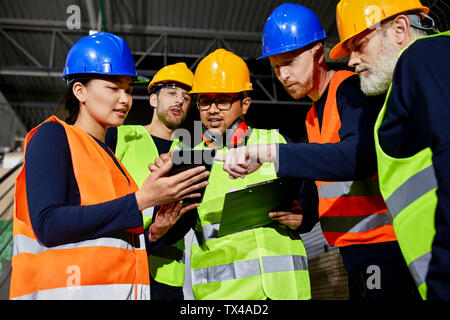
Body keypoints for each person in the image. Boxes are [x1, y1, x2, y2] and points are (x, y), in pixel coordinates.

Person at [217, 3, 419, 300]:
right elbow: (325, 179)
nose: (283, 75)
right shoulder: (312, 116)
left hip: (384, 246)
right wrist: (305, 214)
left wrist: (273, 153)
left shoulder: (350, 89)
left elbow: (358, 157)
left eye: (290, 62)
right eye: (275, 67)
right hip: (354, 251)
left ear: (317, 53)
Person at [9, 32, 209, 300]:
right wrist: (140, 200)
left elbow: (110, 244)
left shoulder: (114, 163)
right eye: (113, 88)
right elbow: (48, 223)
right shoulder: (53, 136)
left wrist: (154, 232)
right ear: (80, 91)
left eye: (128, 90)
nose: (125, 99)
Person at [329, 0, 450, 299]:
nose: (351, 61)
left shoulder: (423, 56)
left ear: (399, 29)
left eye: (360, 45)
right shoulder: (413, 80)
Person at [186, 48, 313, 300]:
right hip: (224, 296)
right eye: (204, 100)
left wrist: (305, 217)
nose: (212, 110)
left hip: (287, 289)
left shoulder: (276, 142)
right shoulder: (189, 159)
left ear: (244, 104)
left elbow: (309, 197)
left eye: (222, 100)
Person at [105, 62, 195, 300]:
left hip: (166, 276)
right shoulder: (120, 136)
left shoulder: (191, 154)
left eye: (186, 97)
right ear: (153, 100)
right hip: (120, 265)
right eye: (172, 93)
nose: (179, 101)